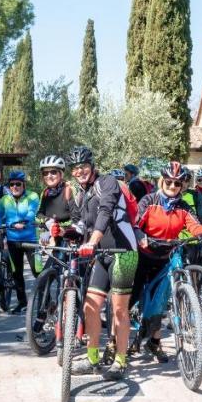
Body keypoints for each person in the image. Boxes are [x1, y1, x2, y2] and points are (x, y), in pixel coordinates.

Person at [131, 161, 202, 361]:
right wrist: (139, 235)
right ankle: (117, 342)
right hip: (145, 254)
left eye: (177, 184)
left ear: (182, 186)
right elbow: (135, 223)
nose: (173, 187)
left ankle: (154, 343)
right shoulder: (149, 200)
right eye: (169, 182)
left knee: (160, 301)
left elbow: (194, 225)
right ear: (162, 181)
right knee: (134, 298)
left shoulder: (183, 206)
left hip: (166, 255)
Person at [67, 145, 137, 381]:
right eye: (76, 168)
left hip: (123, 252)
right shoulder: (79, 194)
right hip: (102, 255)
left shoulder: (107, 183)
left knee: (118, 310)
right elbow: (80, 223)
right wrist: (67, 233)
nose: (80, 171)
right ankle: (93, 358)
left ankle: (120, 360)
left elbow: (105, 212)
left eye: (84, 166)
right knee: (90, 306)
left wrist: (94, 240)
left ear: (92, 166)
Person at [0, 169, 39, 315]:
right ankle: (22, 303)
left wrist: (24, 221)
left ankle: (46, 301)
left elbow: (32, 212)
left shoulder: (32, 196)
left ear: (24, 184)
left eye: (18, 184)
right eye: (11, 184)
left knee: (38, 271)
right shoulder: (5, 199)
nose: (15, 187)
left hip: (31, 240)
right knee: (16, 273)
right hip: (13, 241)